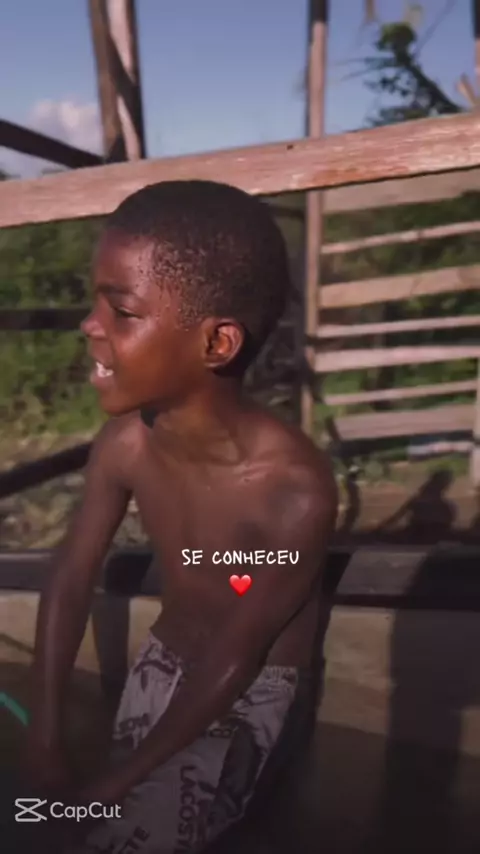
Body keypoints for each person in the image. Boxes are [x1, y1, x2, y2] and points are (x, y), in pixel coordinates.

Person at [22, 180, 338, 853]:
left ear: (217, 343)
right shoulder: (126, 445)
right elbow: (72, 576)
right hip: (162, 663)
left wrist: (116, 782)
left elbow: (237, 654)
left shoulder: (293, 492)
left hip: (248, 690)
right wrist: (45, 735)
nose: (89, 326)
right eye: (95, 303)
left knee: (120, 832)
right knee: (79, 823)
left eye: (122, 312)